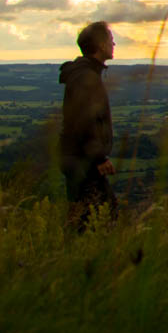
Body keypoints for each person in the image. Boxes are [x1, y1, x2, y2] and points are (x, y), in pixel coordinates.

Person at [59, 21, 117, 229]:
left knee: (87, 219)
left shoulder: (84, 74)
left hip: (80, 159)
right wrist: (99, 157)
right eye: (111, 40)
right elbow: (85, 120)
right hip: (84, 161)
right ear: (101, 45)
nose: (114, 44)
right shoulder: (85, 77)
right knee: (97, 220)